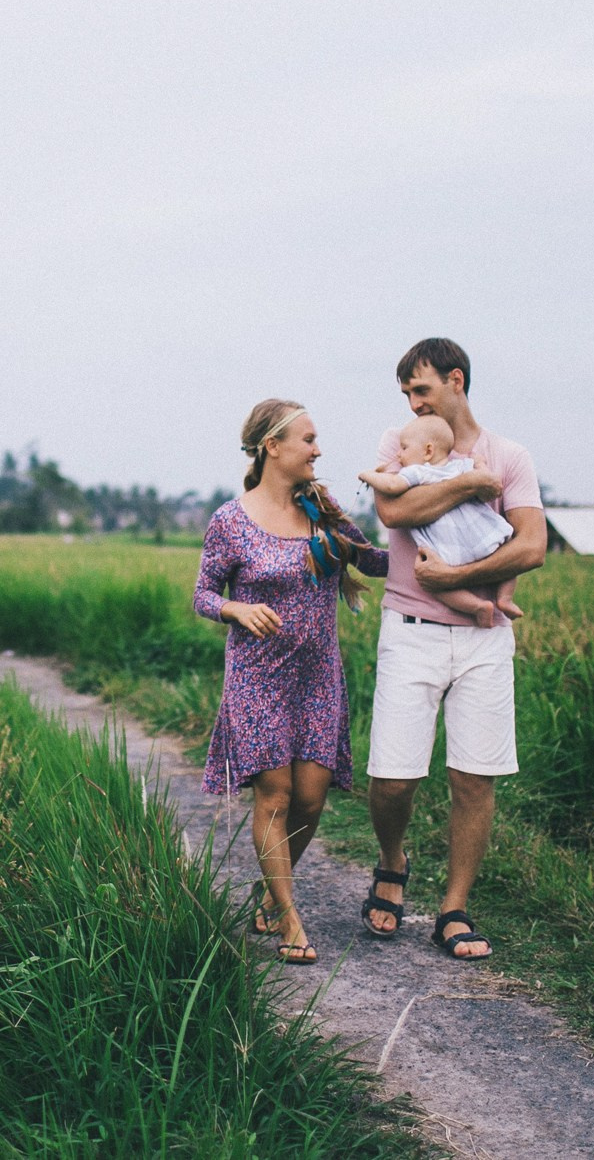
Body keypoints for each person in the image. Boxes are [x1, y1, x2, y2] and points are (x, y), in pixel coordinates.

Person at [362, 339, 546, 959]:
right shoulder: (400, 441)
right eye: (407, 394)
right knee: (392, 780)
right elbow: (393, 506)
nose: (412, 405)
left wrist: (454, 579)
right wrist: (469, 487)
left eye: (422, 390)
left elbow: (532, 547)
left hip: (484, 638)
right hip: (409, 628)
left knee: (474, 778)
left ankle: (455, 906)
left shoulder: (510, 456)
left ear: (456, 380)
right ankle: (393, 860)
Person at [194, 399, 390, 964]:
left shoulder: (322, 513)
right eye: (307, 439)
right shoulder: (231, 520)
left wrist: (409, 506)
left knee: (310, 798)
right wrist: (234, 610)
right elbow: (203, 593)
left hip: (317, 675)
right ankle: (290, 917)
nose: (318, 449)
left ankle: (270, 893)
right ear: (271, 447)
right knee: (275, 794)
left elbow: (374, 562)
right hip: (258, 676)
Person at [357, 414, 521, 628]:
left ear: (428, 451)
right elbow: (485, 478)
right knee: (507, 557)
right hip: (478, 534)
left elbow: (391, 486)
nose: (399, 454)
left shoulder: (417, 472)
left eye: (404, 448)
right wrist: (480, 463)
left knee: (436, 584)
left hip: (448, 548)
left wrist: (368, 475)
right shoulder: (462, 466)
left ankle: (478, 607)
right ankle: (505, 598)